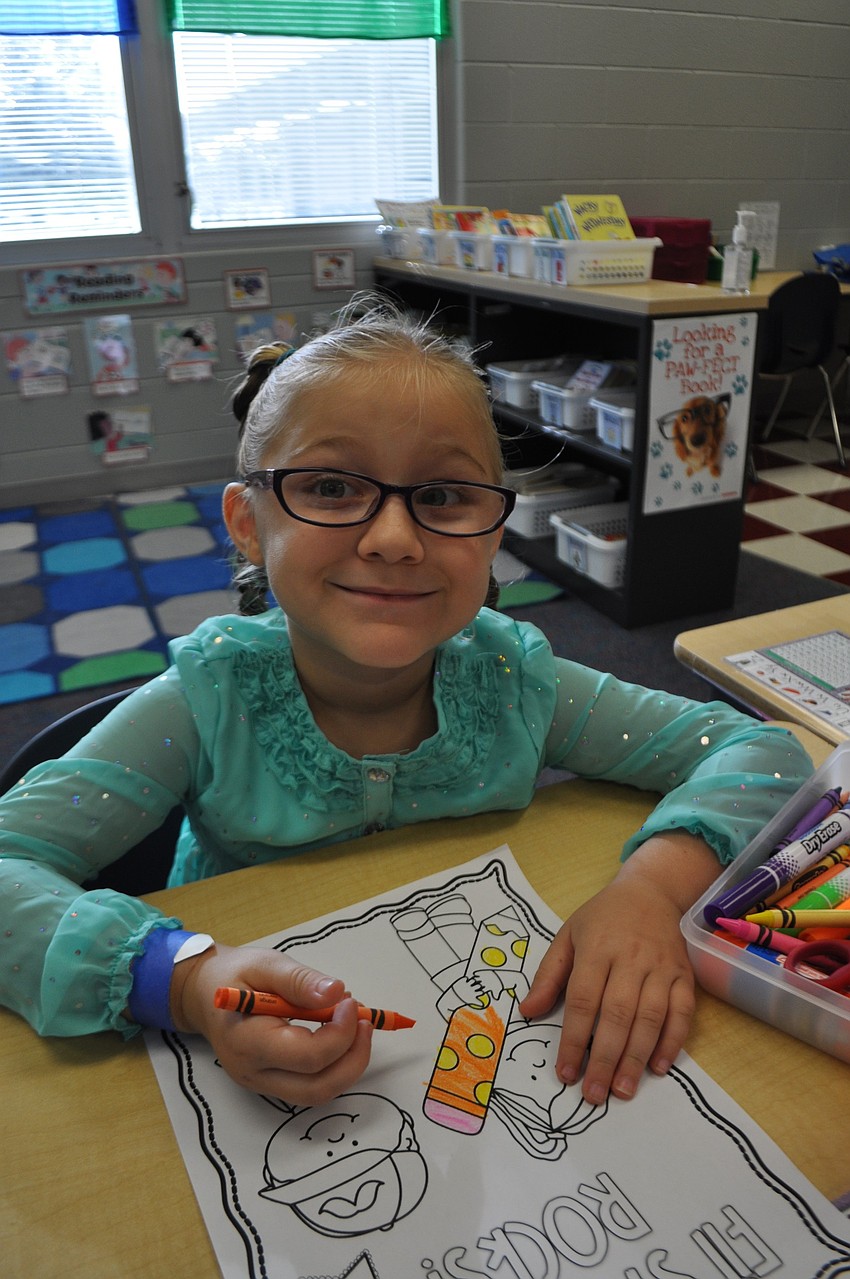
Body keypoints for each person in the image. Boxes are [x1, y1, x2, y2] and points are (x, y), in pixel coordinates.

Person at [0, 296, 812, 1112]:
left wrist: (651, 892)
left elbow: (760, 749)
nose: (393, 538)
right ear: (248, 523)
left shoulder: (514, 681)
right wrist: (186, 981)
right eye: (329, 486)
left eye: (446, 495)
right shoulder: (207, 700)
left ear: (493, 532)